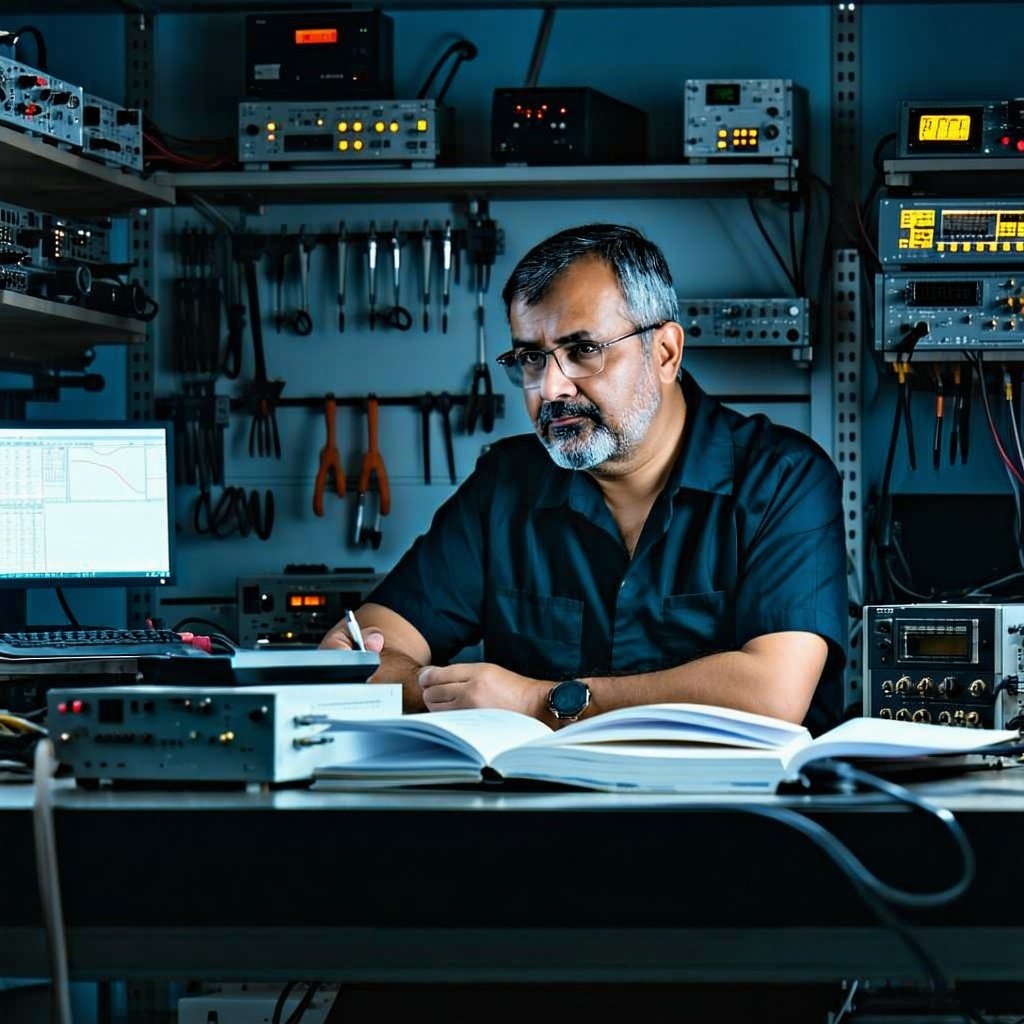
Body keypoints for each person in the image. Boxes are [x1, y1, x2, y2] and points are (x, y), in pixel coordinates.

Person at [322, 223, 848, 734]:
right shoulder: (506, 484)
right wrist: (440, 691)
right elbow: (360, 656)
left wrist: (538, 701)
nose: (551, 388)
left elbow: (771, 692)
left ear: (665, 352)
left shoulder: (784, 478)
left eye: (583, 351)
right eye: (532, 357)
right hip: (542, 816)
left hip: (740, 817)